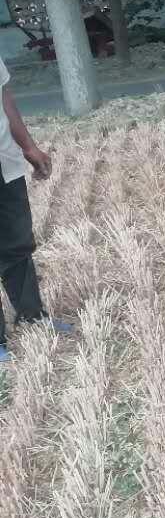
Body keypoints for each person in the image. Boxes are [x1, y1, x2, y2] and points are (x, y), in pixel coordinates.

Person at [0, 57, 64, 361]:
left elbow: (3, 95)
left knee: (17, 243)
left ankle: (31, 314)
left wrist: (27, 145)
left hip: (4, 163)